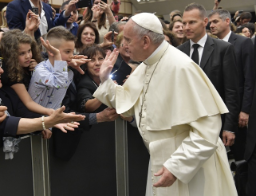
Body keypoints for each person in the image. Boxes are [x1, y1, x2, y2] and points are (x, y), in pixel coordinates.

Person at [93, 12, 236, 196]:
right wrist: (105, 79)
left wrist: (177, 166)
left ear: (145, 41)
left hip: (189, 165)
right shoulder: (147, 64)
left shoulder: (180, 66)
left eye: (128, 40)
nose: (124, 46)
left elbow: (208, 129)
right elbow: (127, 104)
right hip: (162, 160)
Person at [0, 44, 85, 155]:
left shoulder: (2, 92)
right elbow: (4, 124)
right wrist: (45, 122)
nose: (1, 70)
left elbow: (22, 111)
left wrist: (46, 121)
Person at [178, 3, 240, 148]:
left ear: (205, 22)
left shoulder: (223, 49)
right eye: (184, 23)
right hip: (186, 122)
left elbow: (231, 90)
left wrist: (229, 126)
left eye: (192, 22)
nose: (186, 27)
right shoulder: (178, 52)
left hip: (215, 121)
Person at [208, 9, 255, 161]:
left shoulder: (243, 43)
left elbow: (249, 78)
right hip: (218, 110)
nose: (211, 25)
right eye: (210, 22)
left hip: (239, 109)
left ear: (227, 21)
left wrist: (245, 110)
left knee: (241, 156)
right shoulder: (211, 46)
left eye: (215, 21)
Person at [6, 0, 77, 39]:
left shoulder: (47, 7)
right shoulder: (14, 7)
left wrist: (67, 11)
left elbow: (53, 29)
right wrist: (28, 31)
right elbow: (14, 38)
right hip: (30, 55)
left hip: (48, 54)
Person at [28, 26, 75, 109]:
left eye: (72, 52)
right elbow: (59, 82)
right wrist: (58, 55)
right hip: (35, 117)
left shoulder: (69, 72)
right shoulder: (40, 71)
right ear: (51, 52)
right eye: (67, 52)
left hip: (53, 117)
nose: (72, 56)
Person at [76, 45, 107, 113]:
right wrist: (106, 91)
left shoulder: (112, 76)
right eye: (92, 60)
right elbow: (87, 106)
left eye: (100, 58)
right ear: (85, 66)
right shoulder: (85, 83)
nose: (97, 63)